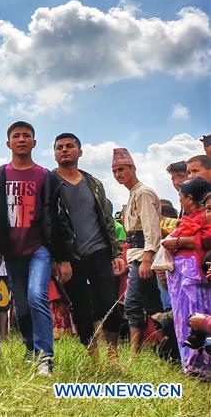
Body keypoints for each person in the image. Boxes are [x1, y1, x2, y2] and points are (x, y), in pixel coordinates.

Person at [0, 121, 75, 375]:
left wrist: (62, 258)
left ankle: (45, 357)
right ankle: (30, 347)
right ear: (8, 143)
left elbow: (57, 218)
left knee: (37, 296)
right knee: (22, 306)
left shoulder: (45, 176)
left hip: (39, 247)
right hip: (11, 250)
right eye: (16, 136)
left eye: (26, 135)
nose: (21, 139)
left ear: (34, 143)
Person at [53, 133, 127, 364]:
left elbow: (107, 220)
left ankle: (113, 356)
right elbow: (49, 224)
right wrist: (59, 258)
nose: (64, 150)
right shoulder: (49, 183)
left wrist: (116, 253)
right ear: (54, 153)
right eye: (59, 147)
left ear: (80, 152)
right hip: (70, 256)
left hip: (99, 251)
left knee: (109, 303)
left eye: (70, 146)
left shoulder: (93, 183)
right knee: (81, 308)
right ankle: (93, 357)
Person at [112, 147, 164, 353]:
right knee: (152, 304)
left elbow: (152, 227)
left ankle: (135, 353)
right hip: (135, 255)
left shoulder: (143, 193)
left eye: (122, 169)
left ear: (133, 168)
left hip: (142, 255)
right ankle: (166, 345)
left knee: (132, 303)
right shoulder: (133, 193)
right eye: (115, 171)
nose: (118, 174)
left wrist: (147, 258)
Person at [159, 180, 211, 378]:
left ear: (189, 198)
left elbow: (206, 239)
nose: (179, 200)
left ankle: (201, 365)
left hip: (194, 276)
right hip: (181, 277)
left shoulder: (203, 218)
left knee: (197, 315)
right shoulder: (189, 219)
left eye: (180, 197)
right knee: (183, 318)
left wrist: (178, 241)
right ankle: (190, 364)